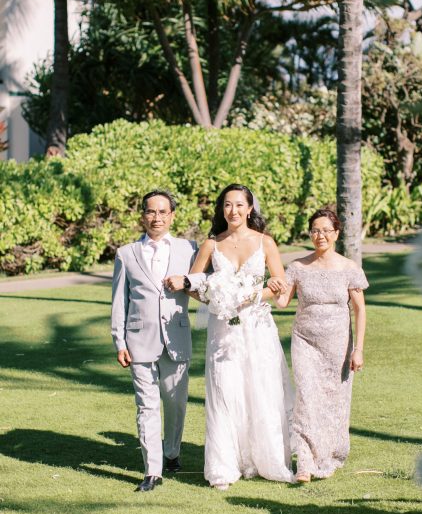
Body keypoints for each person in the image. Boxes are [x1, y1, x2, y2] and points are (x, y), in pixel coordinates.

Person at [169, 183, 294, 490]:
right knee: (225, 390)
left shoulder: (265, 243)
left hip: (258, 328)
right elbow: (192, 285)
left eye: (239, 205)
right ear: (221, 209)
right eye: (227, 205)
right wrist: (216, 300)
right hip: (223, 330)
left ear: (250, 209)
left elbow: (280, 286)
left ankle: (268, 461)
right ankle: (224, 466)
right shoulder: (211, 245)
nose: (233, 210)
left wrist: (250, 295)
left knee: (261, 389)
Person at [111, 189, 205, 492]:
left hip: (177, 337)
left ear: (172, 216)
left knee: (175, 402)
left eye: (163, 212)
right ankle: (152, 470)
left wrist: (187, 280)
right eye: (151, 211)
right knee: (146, 406)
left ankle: (172, 451)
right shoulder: (126, 254)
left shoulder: (189, 249)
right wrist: (119, 341)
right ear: (143, 216)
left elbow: (207, 281)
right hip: (139, 340)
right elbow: (119, 301)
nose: (157, 217)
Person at [273, 208, 368, 483]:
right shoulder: (298, 267)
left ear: (336, 233)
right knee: (306, 396)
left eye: (326, 230)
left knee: (334, 400)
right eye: (315, 230)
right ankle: (304, 461)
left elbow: (360, 310)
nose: (320, 235)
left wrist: (358, 349)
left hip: (338, 344)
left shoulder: (349, 268)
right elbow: (282, 302)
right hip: (305, 341)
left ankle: (327, 455)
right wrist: (275, 286)